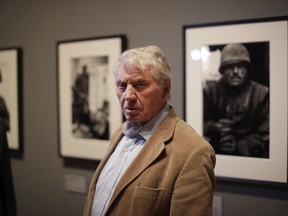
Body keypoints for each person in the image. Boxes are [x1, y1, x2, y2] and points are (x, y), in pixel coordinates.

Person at [83, 45, 216, 216]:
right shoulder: (119, 134)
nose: (128, 96)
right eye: (122, 85)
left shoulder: (193, 152)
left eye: (140, 85)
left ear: (165, 90)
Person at [203, 43, 269, 158]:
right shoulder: (211, 91)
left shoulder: (261, 93)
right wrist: (215, 126)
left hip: (251, 159)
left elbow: (265, 133)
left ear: (247, 69)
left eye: (241, 66)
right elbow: (199, 122)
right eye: (230, 66)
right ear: (222, 70)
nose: (235, 71)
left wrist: (240, 146)